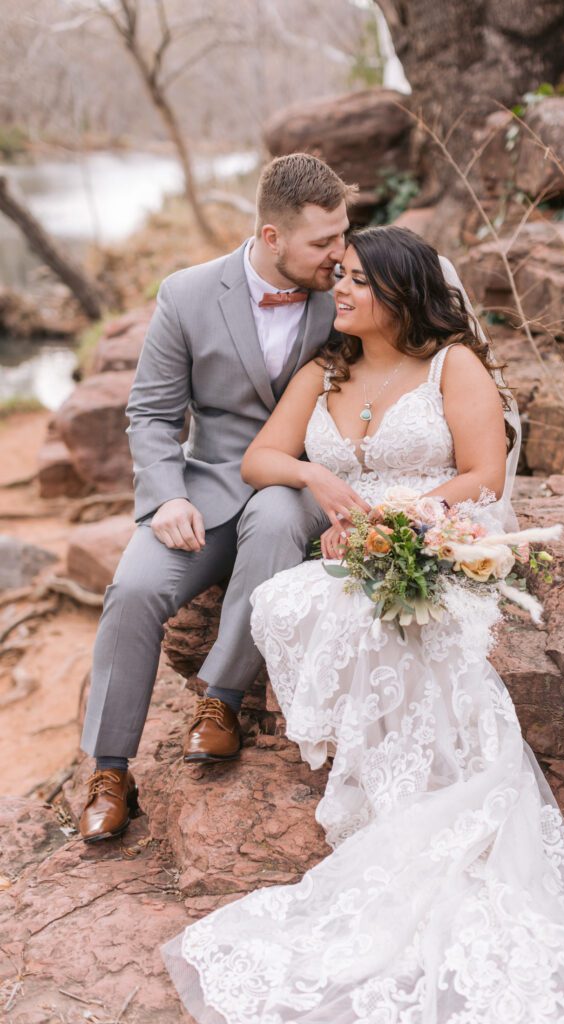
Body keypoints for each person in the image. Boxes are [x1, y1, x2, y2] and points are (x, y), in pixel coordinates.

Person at [161, 226, 564, 1023]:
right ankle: (382, 788)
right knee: (292, 600)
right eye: (338, 275)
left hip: (437, 536)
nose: (338, 290)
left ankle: (415, 814)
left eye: (358, 281)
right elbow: (260, 461)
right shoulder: (325, 368)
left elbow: (478, 473)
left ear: (400, 295)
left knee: (389, 625)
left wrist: (401, 523)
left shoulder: (452, 366)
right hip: (359, 546)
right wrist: (316, 477)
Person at [78, 153, 359, 843]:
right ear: (271, 238)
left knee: (270, 521)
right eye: (322, 242)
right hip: (201, 490)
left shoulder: (348, 293)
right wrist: (166, 496)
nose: (338, 253)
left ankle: (221, 702)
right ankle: (109, 771)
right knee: (134, 591)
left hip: (297, 483)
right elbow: (149, 415)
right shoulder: (187, 293)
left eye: (343, 234)